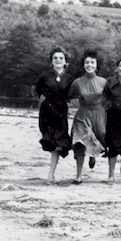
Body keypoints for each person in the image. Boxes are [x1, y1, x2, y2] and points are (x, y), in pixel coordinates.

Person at [67, 49, 109, 184]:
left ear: (97, 65)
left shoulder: (103, 82)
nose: (89, 65)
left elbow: (110, 97)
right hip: (83, 114)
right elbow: (68, 97)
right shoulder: (77, 82)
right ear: (83, 65)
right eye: (87, 63)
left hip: (99, 114)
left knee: (101, 136)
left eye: (92, 62)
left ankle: (93, 155)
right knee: (80, 142)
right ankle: (78, 176)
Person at [35, 47, 75, 183]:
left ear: (65, 62)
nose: (58, 60)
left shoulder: (69, 78)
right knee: (51, 141)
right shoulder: (45, 76)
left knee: (58, 143)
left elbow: (72, 94)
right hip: (47, 112)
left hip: (61, 112)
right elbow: (38, 90)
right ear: (51, 61)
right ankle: (51, 173)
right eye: (55, 58)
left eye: (61, 58)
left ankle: (51, 173)